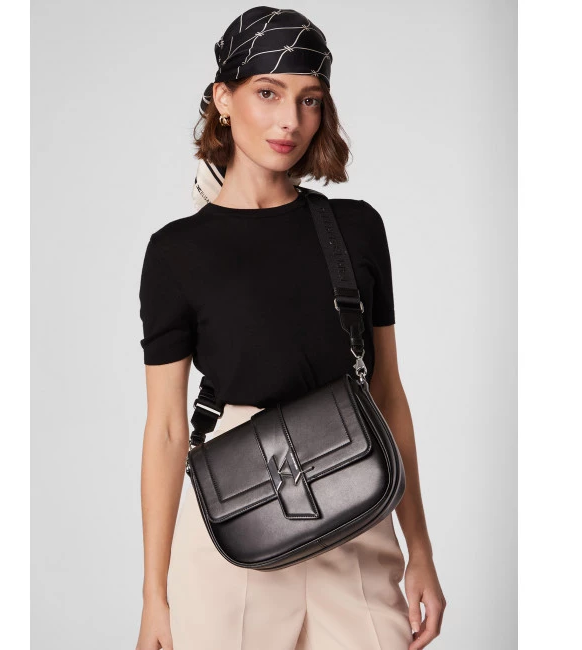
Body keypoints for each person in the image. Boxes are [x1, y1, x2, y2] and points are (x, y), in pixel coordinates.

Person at [136, 7, 446, 650]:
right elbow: (166, 429)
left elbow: (387, 393)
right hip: (233, 530)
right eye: (268, 93)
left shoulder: (356, 229)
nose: (290, 121)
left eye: (309, 99)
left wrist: (419, 548)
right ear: (224, 99)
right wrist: (155, 598)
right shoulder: (175, 253)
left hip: (356, 509)